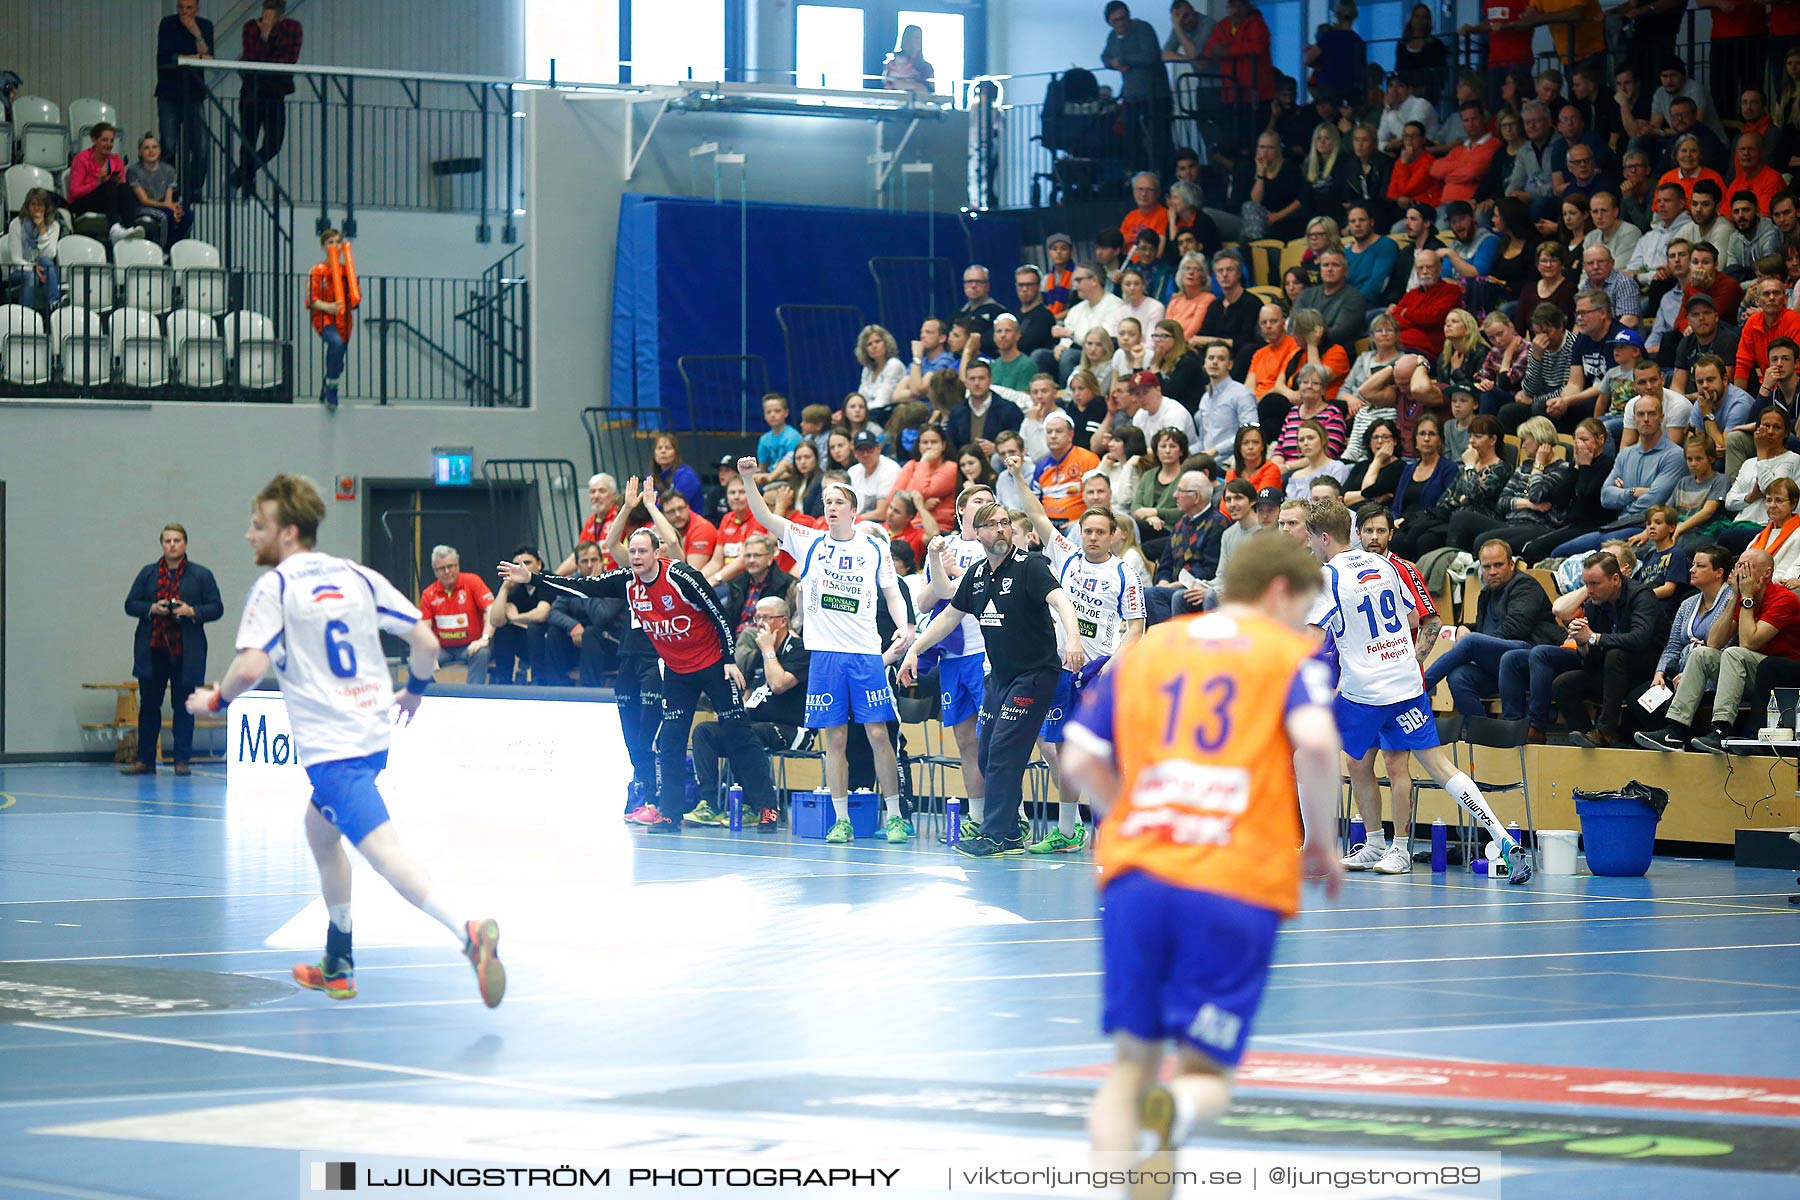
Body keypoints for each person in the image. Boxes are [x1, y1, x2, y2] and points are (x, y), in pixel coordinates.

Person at [1066, 529, 1342, 1170]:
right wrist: (1322, 844)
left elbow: (1078, 756)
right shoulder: (1287, 652)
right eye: (1305, 607)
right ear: (1279, 592)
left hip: (1138, 872)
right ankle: (1180, 1111)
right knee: (1204, 1072)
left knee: (1129, 1066)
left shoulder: (1151, 647)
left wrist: (1129, 814)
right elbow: (1319, 744)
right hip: (1235, 876)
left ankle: (1120, 1178)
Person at [186, 475, 503, 1005]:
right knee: (319, 830)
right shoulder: (357, 575)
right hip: (372, 733)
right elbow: (425, 640)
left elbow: (252, 664)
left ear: (288, 532)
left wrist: (216, 699)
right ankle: (339, 959)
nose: (248, 535)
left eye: (257, 525)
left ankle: (467, 930)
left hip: (334, 751)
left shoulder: (276, 587)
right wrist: (417, 690)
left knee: (384, 854)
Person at [1302, 500, 1532, 882]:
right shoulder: (1386, 565)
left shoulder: (1328, 577)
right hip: (1406, 681)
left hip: (1366, 691)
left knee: (1304, 756)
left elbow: (1309, 644)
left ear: (1323, 537)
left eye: (1310, 540)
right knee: (1432, 765)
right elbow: (1413, 618)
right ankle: (1502, 838)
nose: (1310, 547)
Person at [531, 477, 778, 833]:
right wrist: (534, 577)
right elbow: (579, 586)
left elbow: (717, 613)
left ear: (656, 553)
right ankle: (670, 812)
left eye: (642, 551)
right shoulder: (627, 580)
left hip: (711, 663)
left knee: (738, 732)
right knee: (669, 740)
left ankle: (766, 807)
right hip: (676, 669)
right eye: (632, 553)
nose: (635, 557)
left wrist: (728, 659)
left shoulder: (681, 574)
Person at [739, 464, 914, 842]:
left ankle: (896, 815)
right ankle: (840, 819)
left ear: (854, 511)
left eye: (839, 502)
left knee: (878, 735)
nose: (832, 507)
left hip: (865, 655)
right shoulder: (811, 541)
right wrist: (749, 480)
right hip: (825, 657)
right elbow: (764, 516)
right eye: (827, 502)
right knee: (834, 739)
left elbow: (892, 593)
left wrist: (906, 626)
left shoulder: (874, 547)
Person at [901, 501, 1085, 858]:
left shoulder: (1030, 566)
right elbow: (948, 618)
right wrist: (914, 649)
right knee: (985, 753)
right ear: (979, 533)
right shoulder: (977, 574)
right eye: (992, 525)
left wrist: (1073, 638)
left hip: (1035, 676)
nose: (1000, 529)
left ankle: (998, 834)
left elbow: (1061, 601)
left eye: (1005, 523)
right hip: (999, 678)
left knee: (1003, 750)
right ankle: (1013, 831)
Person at [1007, 455, 1145, 854]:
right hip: (1060, 670)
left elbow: (1136, 628)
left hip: (1100, 672)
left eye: (1101, 532)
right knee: (1064, 751)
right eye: (1088, 531)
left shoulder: (1124, 575)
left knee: (1103, 753)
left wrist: (1110, 667)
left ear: (1115, 535)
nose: (1093, 538)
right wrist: (1017, 474)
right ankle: (1068, 830)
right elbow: (1036, 514)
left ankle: (1114, 830)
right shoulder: (1066, 555)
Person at [1637, 546, 1800, 753]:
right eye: (1739, 566)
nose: (1741, 572)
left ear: (1767, 573)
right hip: (1752, 671)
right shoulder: (1741, 598)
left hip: (1781, 673)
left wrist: (1747, 598)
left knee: (1735, 653)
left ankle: (1721, 729)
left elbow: (1749, 643)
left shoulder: (1784, 599)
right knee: (1702, 653)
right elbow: (1713, 642)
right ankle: (1675, 730)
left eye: (1747, 567)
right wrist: (1734, 597)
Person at [691, 596, 810, 832]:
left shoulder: (799, 650)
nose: (759, 623)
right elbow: (749, 694)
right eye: (757, 617)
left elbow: (778, 684)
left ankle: (761, 807)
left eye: (766, 617)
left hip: (792, 730)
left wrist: (768, 649)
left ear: (783, 621)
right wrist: (731, 712)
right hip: (754, 726)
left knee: (746, 734)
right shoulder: (758, 656)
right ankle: (710, 804)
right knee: (705, 731)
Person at [122, 523, 222, 777]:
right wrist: (151, 609)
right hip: (152, 650)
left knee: (184, 707)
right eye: (167, 541)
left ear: (185, 544)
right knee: (149, 707)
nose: (172, 545)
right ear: (162, 545)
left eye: (177, 540)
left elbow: (217, 607)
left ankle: (181, 761)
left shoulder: (201, 575)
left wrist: (193, 611)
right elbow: (130, 604)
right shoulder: (148, 574)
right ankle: (145, 760)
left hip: (186, 653)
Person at [1426, 537, 1561, 717]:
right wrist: (1465, 627)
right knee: (1459, 675)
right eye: (1487, 567)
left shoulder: (1525, 586)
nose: (1492, 572)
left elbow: (1514, 629)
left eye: (1498, 565)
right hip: (1498, 664)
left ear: (1511, 565)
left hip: (1528, 657)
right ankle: (1482, 733)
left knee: (1471, 643)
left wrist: (1477, 647)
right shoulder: (1487, 593)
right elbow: (1485, 628)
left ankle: (1420, 687)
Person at [235, 0, 302, 196]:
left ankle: (238, 177)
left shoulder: (293, 28)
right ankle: (247, 187)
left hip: (276, 92)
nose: (266, 20)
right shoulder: (250, 27)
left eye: (271, 17)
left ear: (281, 16)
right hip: (252, 91)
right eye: (265, 14)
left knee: (273, 143)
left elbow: (289, 59)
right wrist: (263, 36)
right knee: (248, 140)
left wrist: (264, 58)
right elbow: (251, 58)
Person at [1102, 2, 1173, 173]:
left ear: (1128, 15)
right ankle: (1139, 182)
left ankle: (1164, 182)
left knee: (1160, 142)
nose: (1121, 23)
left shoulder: (1143, 29)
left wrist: (1123, 60)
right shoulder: (1112, 36)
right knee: (1133, 143)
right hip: (1132, 98)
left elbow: (1151, 55)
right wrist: (1113, 63)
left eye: (1123, 18)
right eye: (1115, 20)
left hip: (1156, 96)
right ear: (1110, 22)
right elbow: (1105, 57)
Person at [155, 0, 214, 200]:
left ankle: (193, 188)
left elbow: (208, 55)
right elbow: (166, 58)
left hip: (194, 93)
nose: (184, 12)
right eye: (180, 7)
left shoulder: (205, 26)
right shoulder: (168, 24)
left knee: (201, 146)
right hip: (168, 92)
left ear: (197, 9)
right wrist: (194, 58)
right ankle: (167, 190)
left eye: (189, 8)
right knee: (169, 145)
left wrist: (196, 33)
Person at [417, 544, 494, 683]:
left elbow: (491, 610)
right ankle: (434, 697)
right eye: (441, 569)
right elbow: (424, 629)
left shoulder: (472, 582)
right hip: (442, 649)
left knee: (482, 653)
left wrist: (484, 639)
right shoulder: (428, 594)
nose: (447, 571)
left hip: (470, 646)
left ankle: (473, 697)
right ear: (435, 571)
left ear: (458, 565)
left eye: (451, 566)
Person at [68, 124, 146, 245]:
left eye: (111, 141)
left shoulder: (116, 161)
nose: (109, 144)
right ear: (94, 140)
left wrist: (118, 182)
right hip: (83, 202)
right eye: (104, 140)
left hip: (107, 201)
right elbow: (74, 192)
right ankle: (114, 230)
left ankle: (130, 228)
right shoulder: (82, 159)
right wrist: (97, 183)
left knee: (125, 188)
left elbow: (121, 188)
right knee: (109, 186)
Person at [307, 229, 359, 408]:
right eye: (330, 242)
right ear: (323, 246)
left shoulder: (347, 271)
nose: (334, 246)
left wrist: (354, 299)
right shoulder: (317, 270)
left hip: (344, 321)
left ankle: (325, 388)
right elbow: (311, 300)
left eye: (337, 242)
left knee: (338, 361)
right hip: (324, 320)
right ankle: (331, 390)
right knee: (335, 343)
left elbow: (354, 297)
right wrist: (328, 307)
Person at [127, 133, 191, 248]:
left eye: (154, 147)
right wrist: (167, 206)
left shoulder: (169, 170)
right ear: (140, 152)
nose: (151, 151)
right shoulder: (134, 170)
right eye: (147, 148)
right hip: (142, 207)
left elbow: (168, 198)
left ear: (160, 150)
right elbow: (144, 200)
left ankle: (174, 247)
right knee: (164, 217)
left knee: (186, 215)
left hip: (162, 205)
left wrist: (173, 207)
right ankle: (162, 250)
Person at [4, 188, 59, 312]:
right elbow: (16, 259)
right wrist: (33, 267)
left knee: (46, 261)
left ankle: (53, 304)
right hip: (19, 271)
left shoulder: (54, 226)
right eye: (33, 204)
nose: (36, 208)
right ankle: (25, 319)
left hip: (45, 269)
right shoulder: (16, 224)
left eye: (40, 205)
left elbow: (50, 254)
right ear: (27, 206)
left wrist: (42, 229)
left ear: (46, 207)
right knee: (30, 277)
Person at [881, 24, 934, 94]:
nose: (919, 41)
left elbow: (931, 90)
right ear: (908, 39)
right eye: (916, 38)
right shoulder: (894, 60)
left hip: (920, 101)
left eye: (920, 38)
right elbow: (891, 83)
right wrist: (917, 86)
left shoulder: (926, 66)